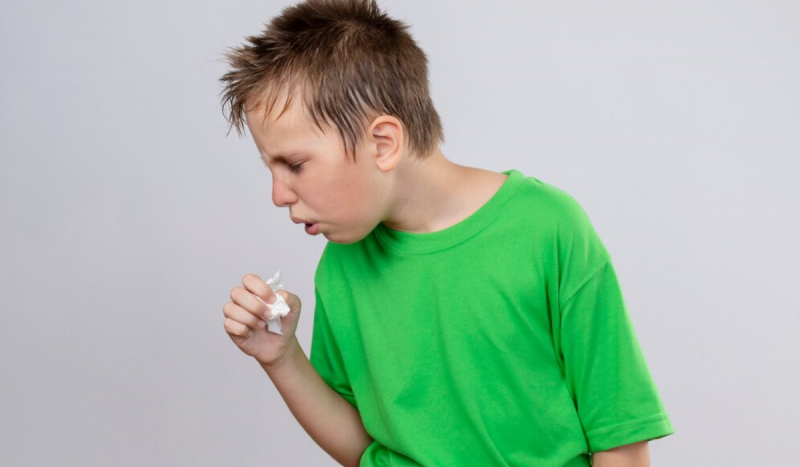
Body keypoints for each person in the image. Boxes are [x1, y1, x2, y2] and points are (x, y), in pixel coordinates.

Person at [218, 1, 675, 466]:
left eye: (293, 165)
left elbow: (620, 437)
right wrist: (281, 357)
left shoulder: (547, 229)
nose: (278, 194)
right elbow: (363, 448)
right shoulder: (341, 266)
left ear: (383, 143)